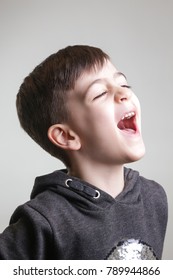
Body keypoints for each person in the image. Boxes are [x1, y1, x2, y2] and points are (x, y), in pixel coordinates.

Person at [0, 45, 167, 260]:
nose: (124, 93)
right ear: (67, 136)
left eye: (124, 83)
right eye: (100, 94)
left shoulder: (154, 198)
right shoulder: (45, 220)